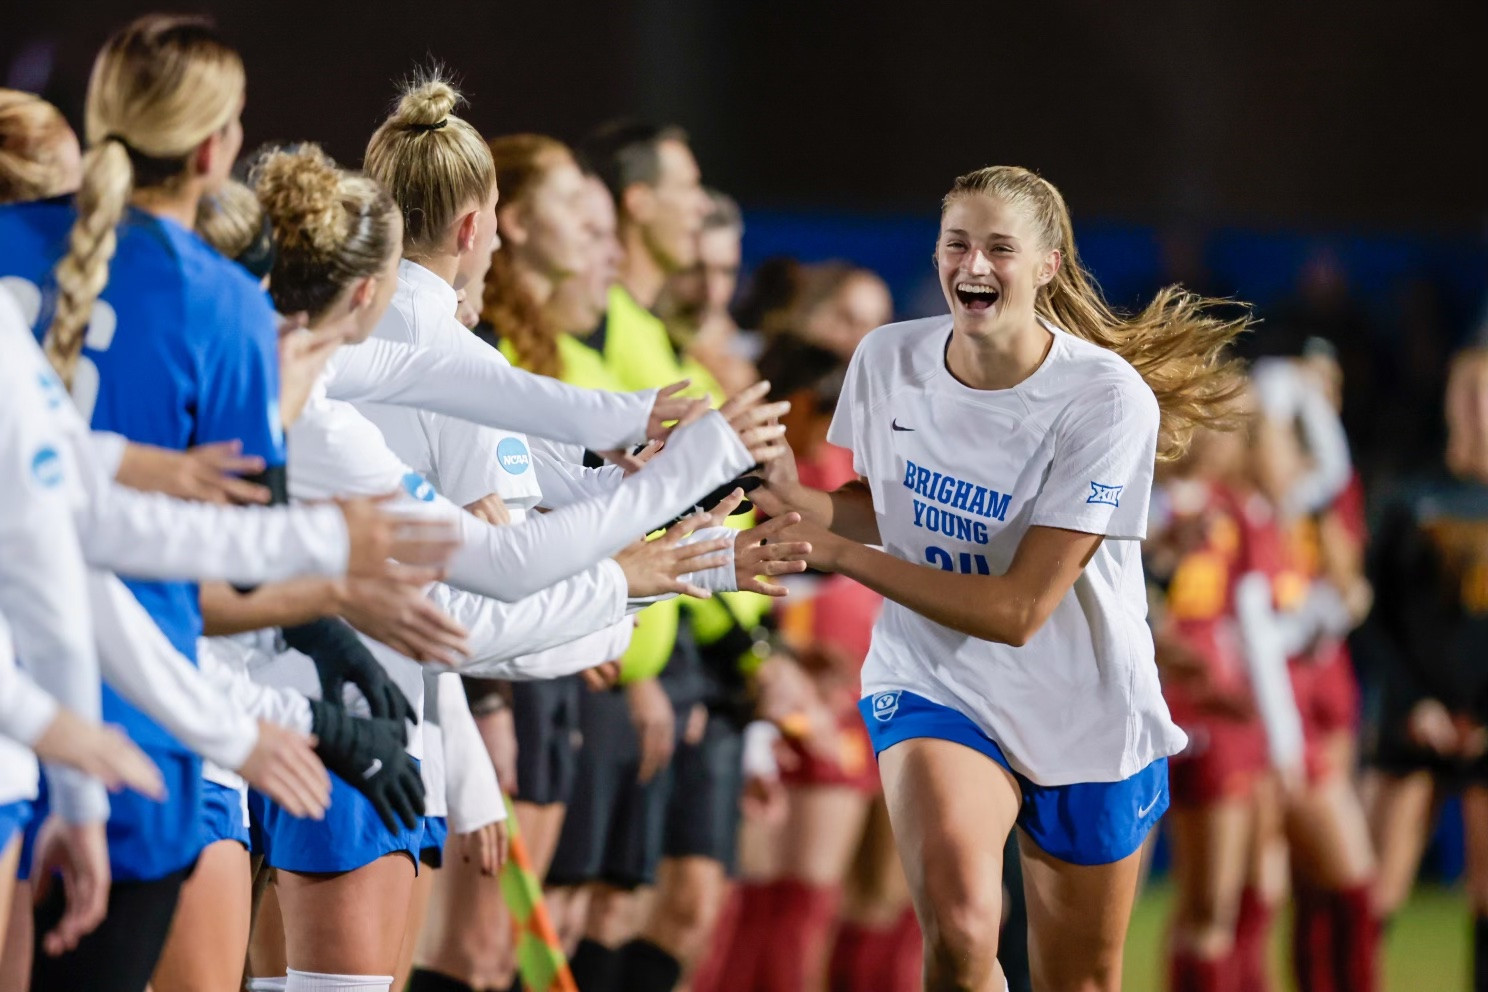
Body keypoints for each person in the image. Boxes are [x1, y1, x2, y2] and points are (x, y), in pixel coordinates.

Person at [753, 165, 1247, 992]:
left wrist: (838, 555)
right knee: (962, 930)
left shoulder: (1107, 399)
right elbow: (882, 509)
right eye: (956, 243)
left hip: (1082, 703)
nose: (972, 266)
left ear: (1048, 266)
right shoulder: (887, 359)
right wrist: (784, 491)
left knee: (1080, 978)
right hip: (937, 679)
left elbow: (1021, 608)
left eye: (999, 248)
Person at [1364, 348, 1488, 991]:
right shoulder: (1413, 498)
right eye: (1468, 393)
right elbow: (1374, 614)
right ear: (1450, 403)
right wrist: (1414, 704)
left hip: (1483, 718)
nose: (1479, 408)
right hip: (1416, 717)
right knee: (1378, 883)